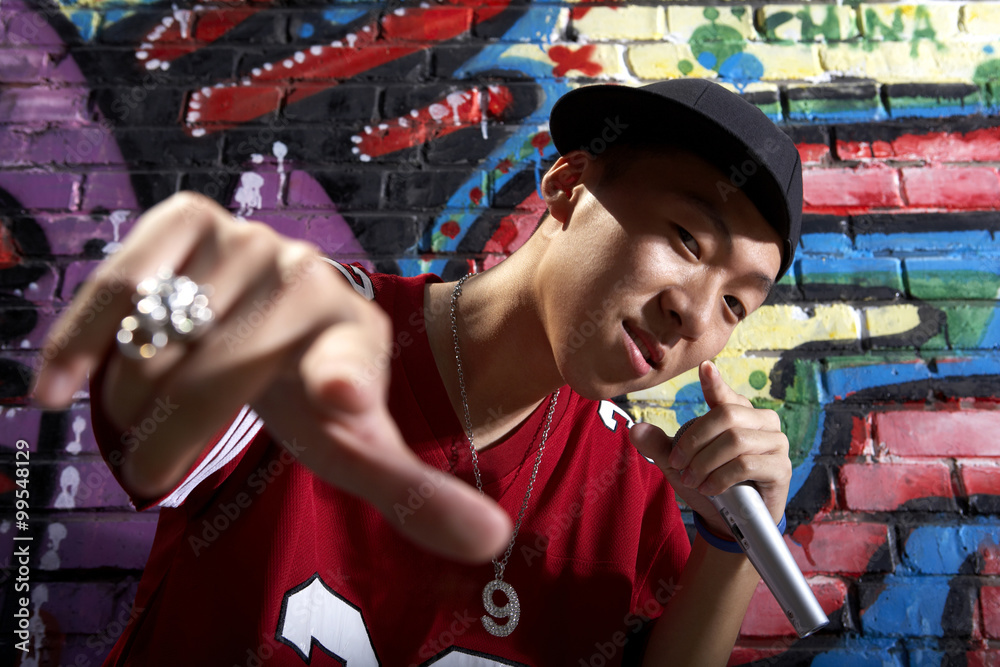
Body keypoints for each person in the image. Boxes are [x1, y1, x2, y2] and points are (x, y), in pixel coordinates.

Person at [33, 78, 802, 666]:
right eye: (688, 239)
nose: (696, 314)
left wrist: (733, 539)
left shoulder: (635, 485)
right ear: (569, 188)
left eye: (737, 304)